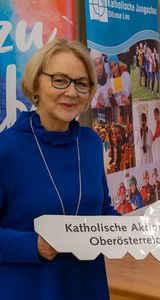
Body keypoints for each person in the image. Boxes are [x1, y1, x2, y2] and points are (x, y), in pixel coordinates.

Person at [0, 38, 119, 300]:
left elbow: (101, 210)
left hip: (87, 285)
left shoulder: (89, 143)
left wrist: (136, 233)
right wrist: (33, 245)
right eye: (60, 80)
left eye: (81, 83)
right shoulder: (6, 149)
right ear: (36, 86)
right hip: (30, 288)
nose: (72, 92)